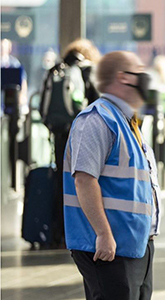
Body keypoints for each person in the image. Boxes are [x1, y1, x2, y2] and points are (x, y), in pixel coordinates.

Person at [63, 51, 161, 300]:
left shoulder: (127, 122)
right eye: (139, 70)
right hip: (109, 247)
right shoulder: (96, 120)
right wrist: (103, 234)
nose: (145, 76)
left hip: (135, 244)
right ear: (123, 78)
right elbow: (84, 180)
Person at [40, 38, 101, 248]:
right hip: (84, 137)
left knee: (62, 181)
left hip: (60, 136)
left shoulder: (55, 70)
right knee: (85, 181)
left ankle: (59, 232)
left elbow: (43, 108)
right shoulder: (88, 70)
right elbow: (99, 106)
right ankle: (84, 232)